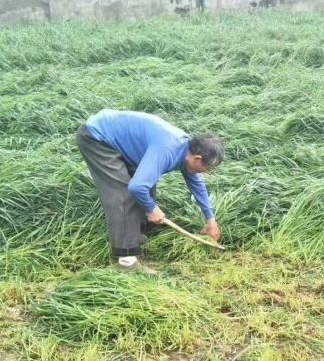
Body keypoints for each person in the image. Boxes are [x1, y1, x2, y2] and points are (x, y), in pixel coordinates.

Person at [76, 109, 224, 273]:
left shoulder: (187, 150)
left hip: (119, 137)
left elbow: (197, 185)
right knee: (123, 194)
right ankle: (126, 261)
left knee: (146, 183)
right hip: (98, 137)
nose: (205, 172)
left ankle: (135, 234)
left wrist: (211, 221)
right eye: (206, 168)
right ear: (197, 159)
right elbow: (137, 187)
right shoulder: (168, 149)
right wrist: (151, 208)